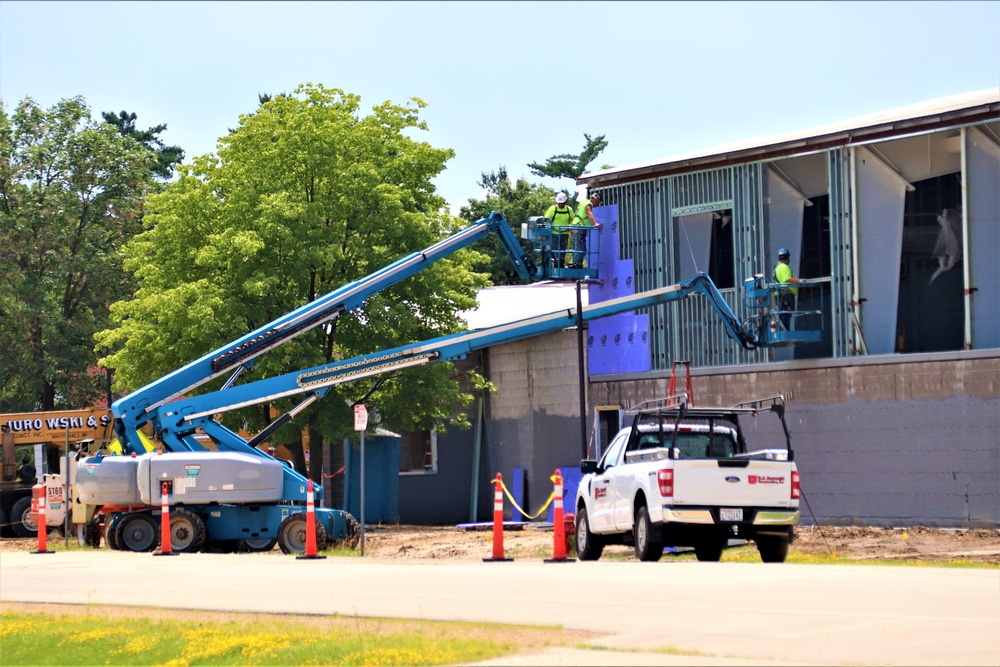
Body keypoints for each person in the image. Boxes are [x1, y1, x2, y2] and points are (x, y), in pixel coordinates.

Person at [571, 191, 604, 268]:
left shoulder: (583, 202)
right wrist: (595, 223)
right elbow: (589, 213)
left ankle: (577, 264)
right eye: (598, 202)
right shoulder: (588, 204)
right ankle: (576, 265)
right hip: (579, 228)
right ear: (595, 199)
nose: (598, 204)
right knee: (581, 249)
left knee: (579, 247)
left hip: (577, 228)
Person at [544, 192, 576, 268]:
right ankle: (555, 262)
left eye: (562, 203)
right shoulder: (552, 209)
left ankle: (561, 263)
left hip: (565, 234)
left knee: (562, 251)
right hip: (554, 233)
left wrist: (572, 226)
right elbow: (546, 219)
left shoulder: (569, 209)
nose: (560, 205)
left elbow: (573, 219)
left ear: (565, 202)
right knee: (554, 250)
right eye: (559, 203)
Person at [773, 247, 801, 330]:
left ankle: (784, 330)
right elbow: (787, 279)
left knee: (784, 313)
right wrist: (800, 281)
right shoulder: (784, 267)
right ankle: (785, 331)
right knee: (786, 313)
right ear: (788, 258)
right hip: (786, 294)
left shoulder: (777, 267)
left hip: (781, 294)